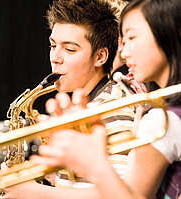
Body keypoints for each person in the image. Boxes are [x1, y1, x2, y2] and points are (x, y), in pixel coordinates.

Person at [32, 0, 181, 199]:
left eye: (132, 38)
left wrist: (34, 192)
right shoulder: (160, 114)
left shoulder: (160, 120)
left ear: (166, 35)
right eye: (52, 45)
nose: (124, 53)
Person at [0, 0, 134, 198]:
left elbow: (120, 194)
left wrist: (32, 192)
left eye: (69, 49)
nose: (55, 57)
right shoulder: (91, 103)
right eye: (53, 45)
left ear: (100, 57)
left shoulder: (112, 110)